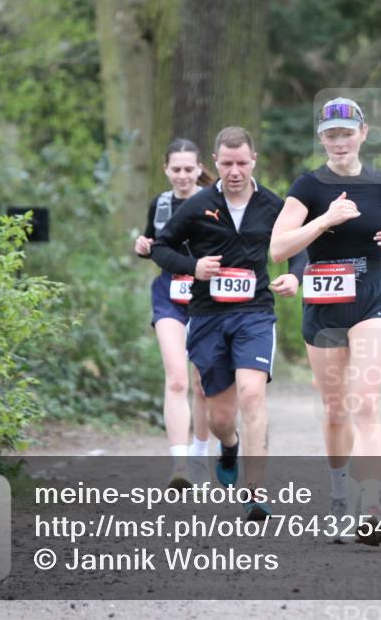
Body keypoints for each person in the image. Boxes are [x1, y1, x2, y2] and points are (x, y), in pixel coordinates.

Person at [270, 97, 381, 544]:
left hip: (373, 297)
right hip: (324, 305)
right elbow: (279, 248)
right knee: (336, 411)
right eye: (331, 135)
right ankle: (339, 495)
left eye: (346, 133)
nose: (339, 142)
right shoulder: (308, 187)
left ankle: (370, 506)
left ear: (363, 133)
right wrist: (324, 221)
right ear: (322, 139)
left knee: (366, 403)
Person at [151, 127, 306, 521]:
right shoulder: (199, 204)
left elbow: (302, 245)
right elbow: (162, 248)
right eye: (226, 163)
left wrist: (295, 275)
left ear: (253, 160)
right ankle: (230, 444)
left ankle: (255, 492)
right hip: (207, 316)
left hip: (255, 312)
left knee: (252, 396)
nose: (234, 171)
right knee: (221, 417)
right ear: (215, 164)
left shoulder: (274, 204)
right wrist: (194, 266)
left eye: (241, 162)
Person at [133, 139, 213, 489]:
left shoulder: (214, 203)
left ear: (199, 169)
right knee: (177, 377)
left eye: (188, 169)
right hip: (169, 294)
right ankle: (179, 464)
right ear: (166, 170)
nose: (182, 176)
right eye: (175, 169)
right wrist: (142, 246)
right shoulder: (161, 203)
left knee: (203, 383)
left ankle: (200, 453)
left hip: (207, 296)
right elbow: (154, 244)